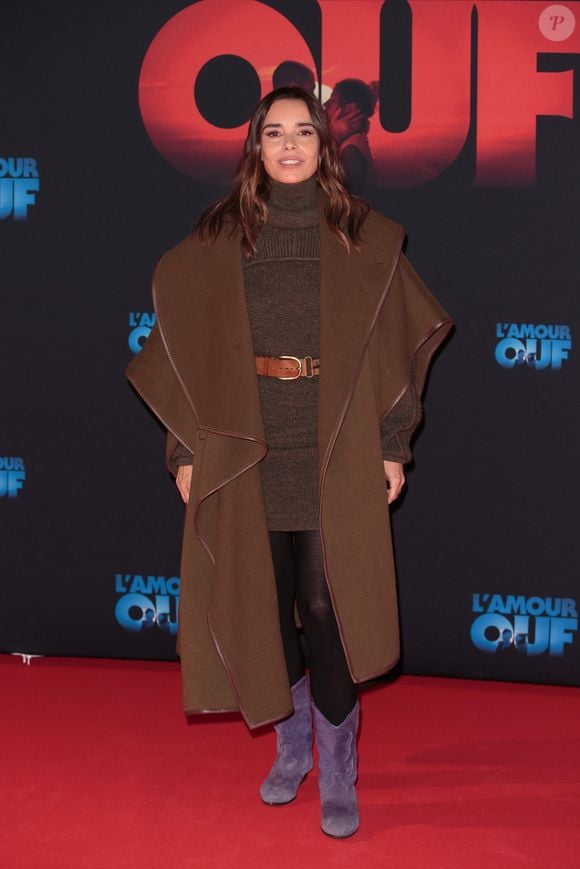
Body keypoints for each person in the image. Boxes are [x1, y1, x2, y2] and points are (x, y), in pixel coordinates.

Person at [126, 86, 452, 839]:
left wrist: (391, 442)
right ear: (255, 147)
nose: (290, 145)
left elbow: (395, 352)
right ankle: (292, 744)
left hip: (333, 445)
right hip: (246, 448)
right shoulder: (218, 237)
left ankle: (338, 766)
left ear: (324, 145)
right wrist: (184, 449)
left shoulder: (362, 237)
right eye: (274, 133)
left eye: (304, 131)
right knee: (265, 611)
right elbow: (184, 356)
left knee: (325, 609)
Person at [325, 78, 378, 197]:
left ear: (349, 109)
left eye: (333, 100)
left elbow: (347, 201)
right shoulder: (351, 144)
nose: (325, 104)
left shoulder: (351, 151)